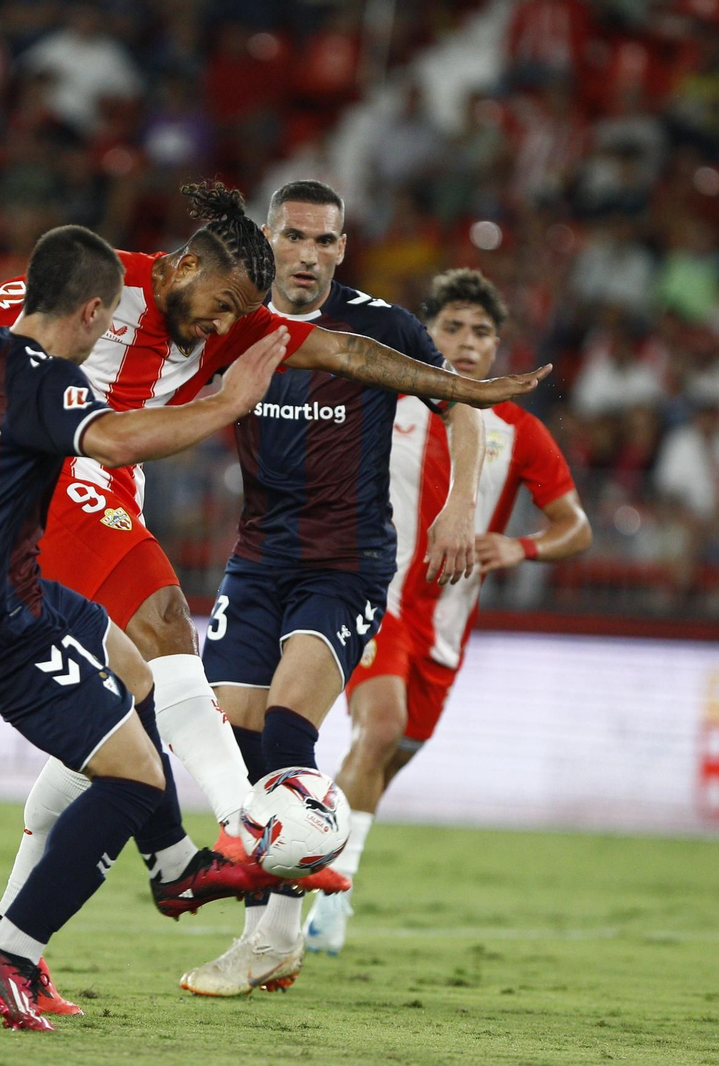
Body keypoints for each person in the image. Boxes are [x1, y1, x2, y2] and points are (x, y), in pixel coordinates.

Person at [0, 182, 549, 996]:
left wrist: (466, 391)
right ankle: (236, 836)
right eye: (222, 304)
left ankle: (20, 935)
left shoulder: (270, 324)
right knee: (161, 643)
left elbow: (352, 355)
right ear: (204, 259)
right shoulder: (102, 276)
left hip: (283, 542)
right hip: (74, 479)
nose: (221, 328)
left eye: (326, 241)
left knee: (127, 718)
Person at [0, 224, 294, 1032]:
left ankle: (173, 866)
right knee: (132, 779)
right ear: (91, 311)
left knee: (141, 675)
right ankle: (11, 946)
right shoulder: (41, 380)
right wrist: (227, 402)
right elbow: (118, 441)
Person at [182, 180, 485, 996]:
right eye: (293, 238)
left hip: (345, 564)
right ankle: (272, 924)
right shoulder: (234, 321)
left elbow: (464, 407)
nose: (308, 255)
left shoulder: (381, 327)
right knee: (239, 742)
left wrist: (458, 508)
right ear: (267, 241)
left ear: (342, 249)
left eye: (324, 241)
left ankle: (274, 937)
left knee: (288, 727)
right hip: (255, 561)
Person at [304, 269, 592, 955]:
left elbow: (575, 527)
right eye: (452, 328)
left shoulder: (518, 431)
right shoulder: (388, 398)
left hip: (445, 630)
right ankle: (324, 905)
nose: (466, 344)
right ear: (426, 335)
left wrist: (520, 546)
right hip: (378, 600)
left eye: (482, 332)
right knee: (380, 730)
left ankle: (309, 860)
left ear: (498, 346)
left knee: (385, 757)